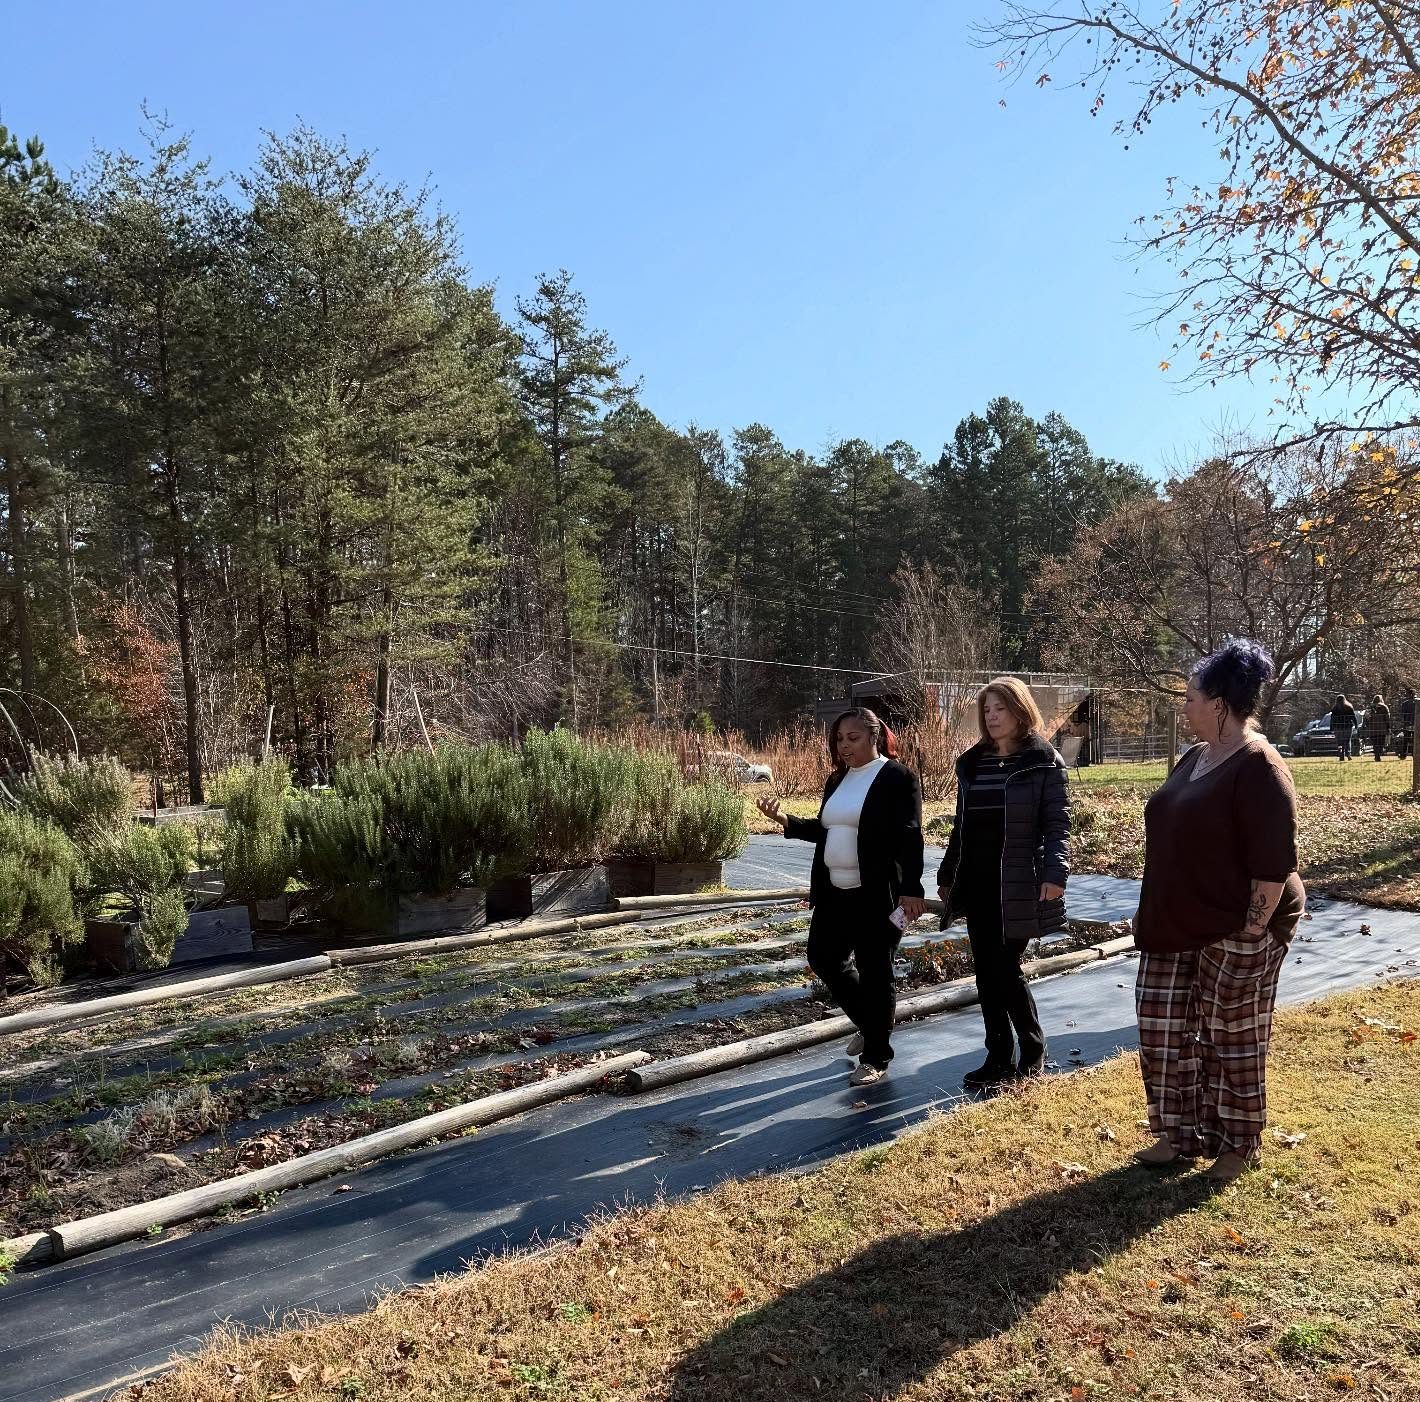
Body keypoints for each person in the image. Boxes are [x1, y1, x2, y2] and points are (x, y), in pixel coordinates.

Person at [1132, 640, 1306, 1184]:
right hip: (1176, 919)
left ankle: (1238, 1141)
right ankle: (1179, 1132)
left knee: (1232, 1032)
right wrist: (1151, 906)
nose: (1184, 707)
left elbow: (1273, 867)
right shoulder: (1195, 758)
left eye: (1191, 698)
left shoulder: (1260, 767)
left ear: (1221, 704)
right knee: (1161, 1026)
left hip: (1237, 924)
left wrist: (1251, 933)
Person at [756, 707, 924, 1086]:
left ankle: (876, 1057)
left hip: (876, 895)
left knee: (876, 970)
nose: (844, 746)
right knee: (823, 956)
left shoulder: (897, 778)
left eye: (853, 738)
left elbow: (909, 835)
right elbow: (826, 829)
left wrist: (912, 888)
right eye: (839, 739)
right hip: (835, 892)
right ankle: (871, 1023)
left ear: (874, 736)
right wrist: (787, 822)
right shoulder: (838, 780)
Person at [935, 677, 1070, 1089]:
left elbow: (1056, 824)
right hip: (977, 880)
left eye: (1001, 709)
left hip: (1019, 880)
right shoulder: (972, 763)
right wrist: (947, 871)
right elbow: (962, 824)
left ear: (1021, 710)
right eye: (987, 710)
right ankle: (998, 1055)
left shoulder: (1044, 763)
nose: (993, 717)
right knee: (985, 970)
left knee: (1003, 966)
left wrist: (1055, 872)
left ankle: (1032, 1048)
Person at [1329, 693, 1357, 761]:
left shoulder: (1335, 709)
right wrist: (1356, 724)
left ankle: (1341, 754)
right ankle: (1348, 754)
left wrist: (1331, 727)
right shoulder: (1349, 707)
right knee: (1347, 741)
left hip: (1338, 727)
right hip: (1347, 726)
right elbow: (1353, 717)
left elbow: (1332, 719)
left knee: (1339, 741)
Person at [1367, 694, 1391, 762]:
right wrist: (1388, 726)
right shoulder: (1384, 707)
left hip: (1372, 728)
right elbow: (1387, 718)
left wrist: (1367, 725)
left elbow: (1366, 717)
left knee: (1375, 743)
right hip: (1382, 728)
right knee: (1381, 742)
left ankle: (1377, 755)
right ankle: (1379, 754)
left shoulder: (1370, 707)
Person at [1400, 688, 1416, 761]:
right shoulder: (1418, 702)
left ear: (1408, 694)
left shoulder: (1405, 703)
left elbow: (1402, 714)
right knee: (1416, 739)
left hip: (1407, 723)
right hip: (1417, 724)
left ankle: (1403, 755)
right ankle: (1415, 753)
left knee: (1406, 739)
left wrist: (1403, 722)